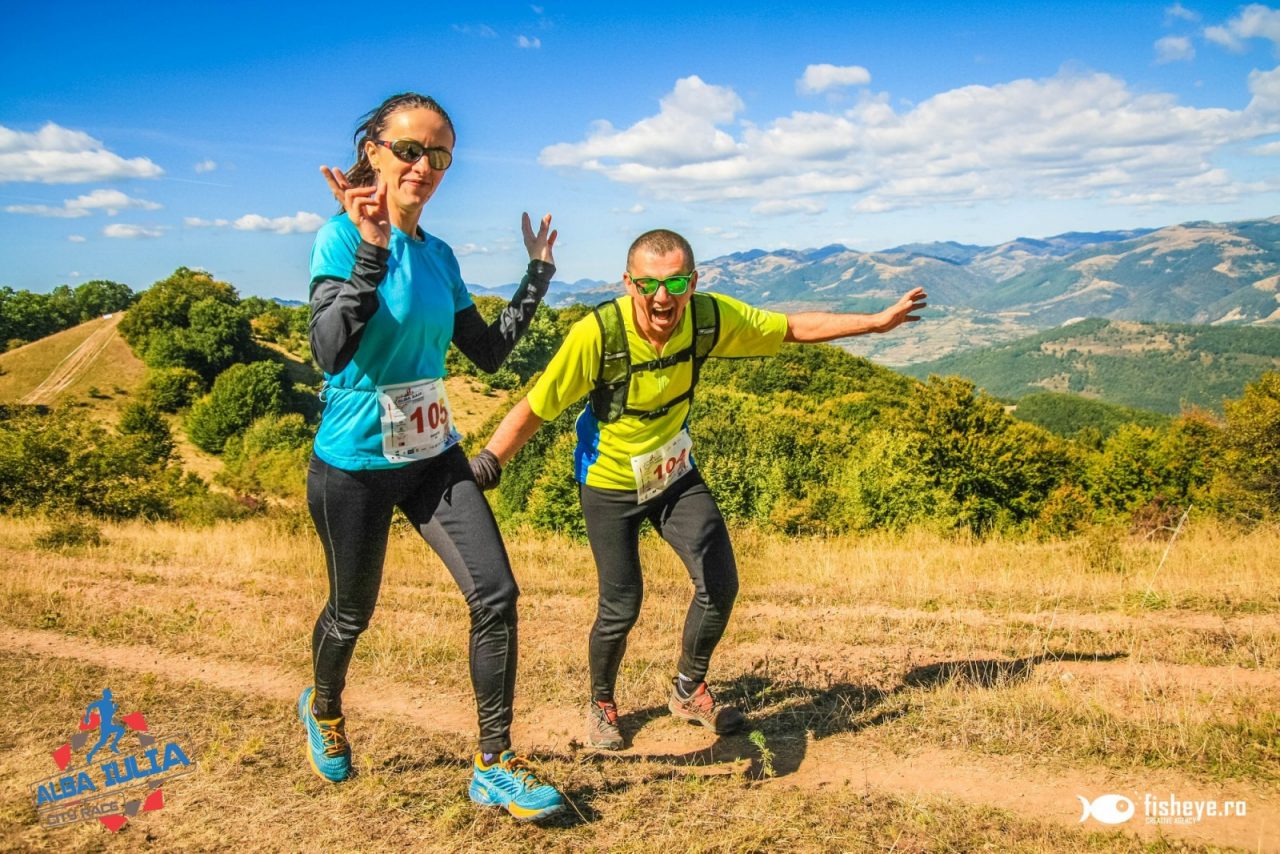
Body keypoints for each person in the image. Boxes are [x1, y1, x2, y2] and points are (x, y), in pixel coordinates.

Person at [471, 229, 927, 750]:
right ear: (628, 283)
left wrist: (875, 323)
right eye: (648, 284)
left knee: (720, 582)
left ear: (693, 282)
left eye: (675, 283)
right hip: (609, 481)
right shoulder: (597, 335)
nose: (662, 297)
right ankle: (602, 702)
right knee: (621, 604)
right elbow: (536, 406)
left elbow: (792, 328)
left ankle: (688, 688)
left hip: (672, 472)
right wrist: (488, 463)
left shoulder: (707, 317)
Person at [300, 91, 564, 821]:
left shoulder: (440, 256)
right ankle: (323, 708)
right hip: (353, 465)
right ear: (374, 153)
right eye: (410, 150)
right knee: (351, 614)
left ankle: (494, 764)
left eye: (439, 154)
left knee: (496, 595)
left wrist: (537, 273)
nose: (424, 165)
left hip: (431, 456)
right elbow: (329, 352)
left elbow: (488, 352)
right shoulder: (337, 239)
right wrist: (371, 249)